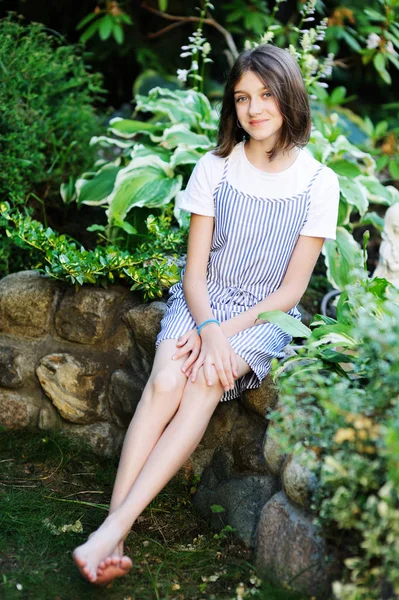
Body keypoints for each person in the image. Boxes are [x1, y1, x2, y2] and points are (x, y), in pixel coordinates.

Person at [73, 43, 340, 584]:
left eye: (266, 95)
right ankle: (114, 535)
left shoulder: (319, 183)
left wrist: (222, 339)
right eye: (242, 98)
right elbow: (194, 276)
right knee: (168, 378)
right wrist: (207, 325)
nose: (254, 108)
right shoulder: (215, 168)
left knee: (202, 380)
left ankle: (110, 530)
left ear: (289, 96)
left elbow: (289, 292)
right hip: (203, 301)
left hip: (264, 319)